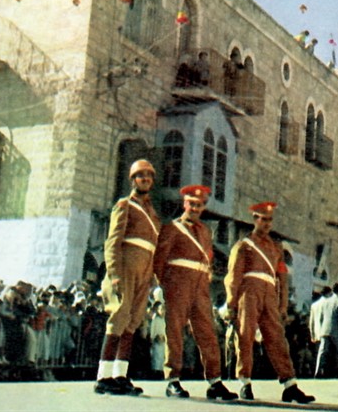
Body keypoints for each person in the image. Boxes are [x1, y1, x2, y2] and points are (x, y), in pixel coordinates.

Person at [153, 185, 237, 401]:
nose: (196, 208)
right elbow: (159, 260)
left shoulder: (205, 231)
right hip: (178, 286)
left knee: (207, 332)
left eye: (199, 205)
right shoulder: (172, 228)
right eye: (192, 204)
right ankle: (172, 380)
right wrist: (164, 286)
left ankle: (214, 381)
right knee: (175, 332)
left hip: (200, 288)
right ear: (185, 204)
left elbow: (207, 258)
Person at [224, 202, 314, 404]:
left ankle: (289, 384)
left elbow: (282, 277)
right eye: (262, 219)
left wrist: (283, 305)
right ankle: (244, 382)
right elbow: (233, 276)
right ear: (255, 219)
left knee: (277, 338)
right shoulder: (243, 245)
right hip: (249, 292)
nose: (266, 224)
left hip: (269, 294)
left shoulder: (276, 248)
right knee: (245, 336)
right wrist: (231, 303)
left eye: (269, 220)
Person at [94, 159, 161, 396]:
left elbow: (154, 245)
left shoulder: (152, 212)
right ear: (132, 180)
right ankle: (103, 377)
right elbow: (113, 240)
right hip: (125, 268)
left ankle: (120, 375)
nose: (145, 179)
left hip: (144, 270)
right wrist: (113, 274)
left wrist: (152, 273)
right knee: (119, 316)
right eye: (140, 175)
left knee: (133, 321)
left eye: (148, 176)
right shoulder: (124, 205)